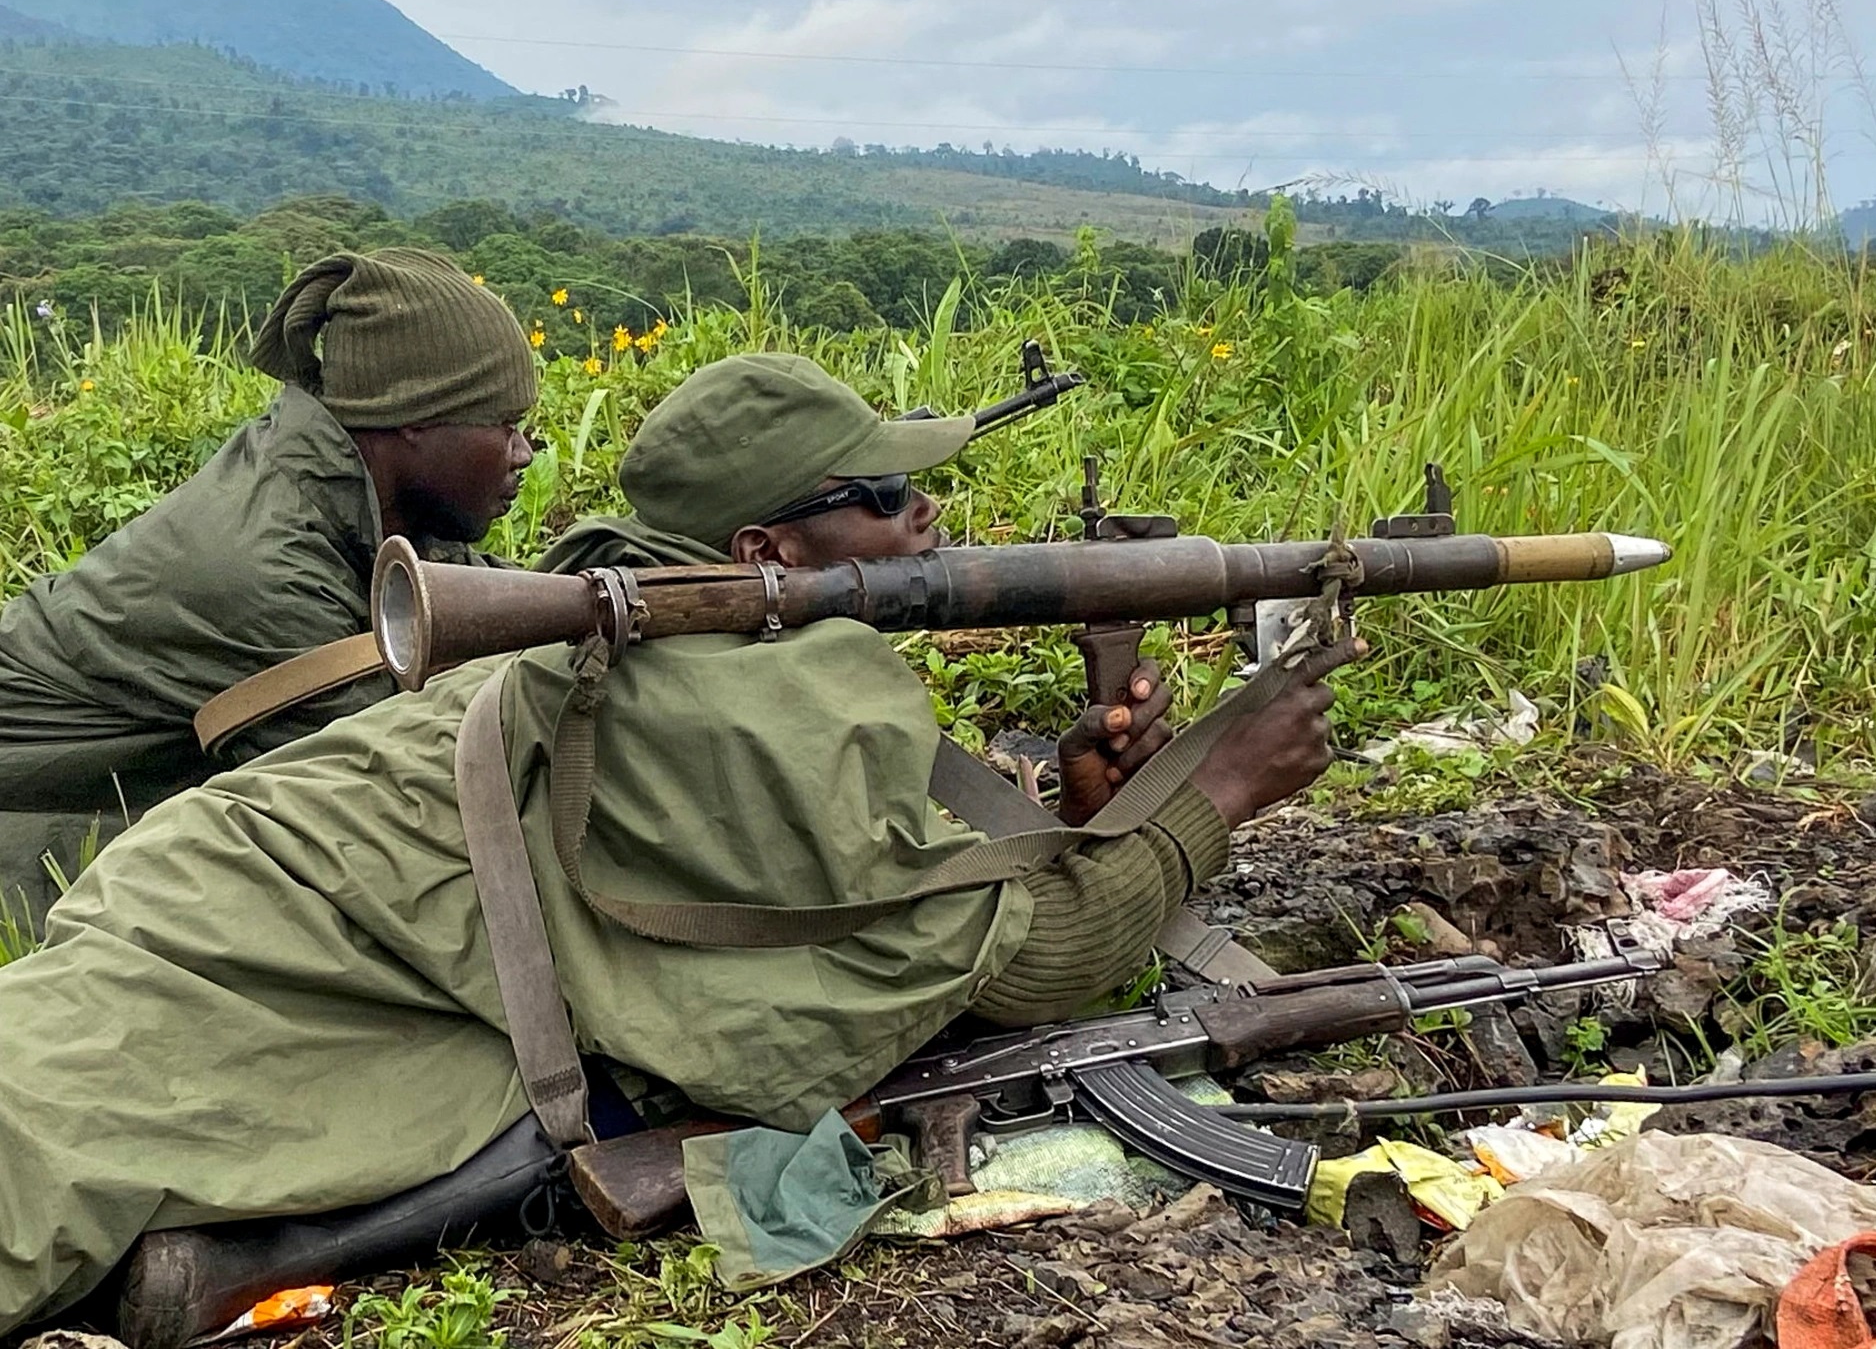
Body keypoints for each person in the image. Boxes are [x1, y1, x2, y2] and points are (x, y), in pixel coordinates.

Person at [0, 354, 1358, 1347]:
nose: (927, 519)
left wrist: (1066, 814)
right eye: (885, 494)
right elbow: (1027, 955)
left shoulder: (661, 615)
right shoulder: (746, 698)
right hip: (245, 953)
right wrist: (1220, 786)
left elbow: (852, 866)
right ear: (765, 547)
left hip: (252, 907)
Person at [0, 248, 538, 905]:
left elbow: (487, 597)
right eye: (506, 425)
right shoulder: (262, 569)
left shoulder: (355, 493)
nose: (524, 454)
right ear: (416, 417)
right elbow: (402, 791)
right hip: (35, 826)